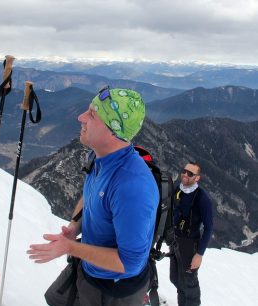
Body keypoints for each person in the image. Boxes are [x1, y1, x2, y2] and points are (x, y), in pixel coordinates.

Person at [27, 86, 159, 306]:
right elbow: (91, 194)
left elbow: (130, 263)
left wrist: (70, 248)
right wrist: (73, 229)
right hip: (89, 271)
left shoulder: (132, 187)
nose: (81, 117)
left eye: (91, 114)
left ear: (112, 130)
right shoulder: (100, 157)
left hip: (113, 292)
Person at [169, 162, 213, 306]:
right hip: (175, 242)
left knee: (190, 284)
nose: (185, 175)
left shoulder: (202, 198)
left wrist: (199, 254)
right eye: (184, 171)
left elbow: (209, 227)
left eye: (190, 173)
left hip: (190, 245)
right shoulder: (178, 190)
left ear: (197, 178)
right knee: (176, 279)